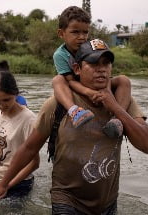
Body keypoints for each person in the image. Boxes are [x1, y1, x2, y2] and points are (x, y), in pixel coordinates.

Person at [0, 39, 148, 215]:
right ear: (77, 68)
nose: (101, 70)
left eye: (106, 64)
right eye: (93, 64)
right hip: (67, 202)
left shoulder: (122, 100)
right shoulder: (58, 104)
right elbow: (29, 147)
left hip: (107, 202)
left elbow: (147, 145)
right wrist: (4, 184)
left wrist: (116, 109)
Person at [53, 6, 131, 137]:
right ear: (61, 34)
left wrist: (106, 92)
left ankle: (118, 119)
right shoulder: (60, 54)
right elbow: (71, 81)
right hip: (75, 85)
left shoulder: (90, 47)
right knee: (58, 80)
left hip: (95, 82)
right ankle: (74, 111)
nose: (82, 37)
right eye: (75, 32)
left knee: (124, 80)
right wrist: (90, 93)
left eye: (85, 32)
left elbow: (105, 73)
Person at [0, 70, 40, 198]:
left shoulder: (28, 120)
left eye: (7, 100)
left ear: (16, 93)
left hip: (17, 184)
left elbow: (34, 163)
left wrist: (6, 185)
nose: (2, 105)